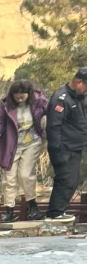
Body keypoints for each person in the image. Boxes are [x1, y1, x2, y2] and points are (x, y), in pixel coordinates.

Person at [0, 80, 48, 219]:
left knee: (25, 175)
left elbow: (55, 115)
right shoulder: (7, 107)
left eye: (22, 97)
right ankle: (9, 211)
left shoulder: (40, 102)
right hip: (12, 144)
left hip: (33, 143)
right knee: (9, 179)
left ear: (29, 94)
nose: (20, 99)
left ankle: (33, 208)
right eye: (17, 97)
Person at [46, 68, 87, 219]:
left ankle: (59, 211)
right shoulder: (61, 98)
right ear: (79, 82)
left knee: (72, 181)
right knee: (65, 180)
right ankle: (55, 213)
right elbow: (54, 126)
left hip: (75, 148)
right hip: (64, 149)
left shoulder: (78, 98)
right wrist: (58, 150)